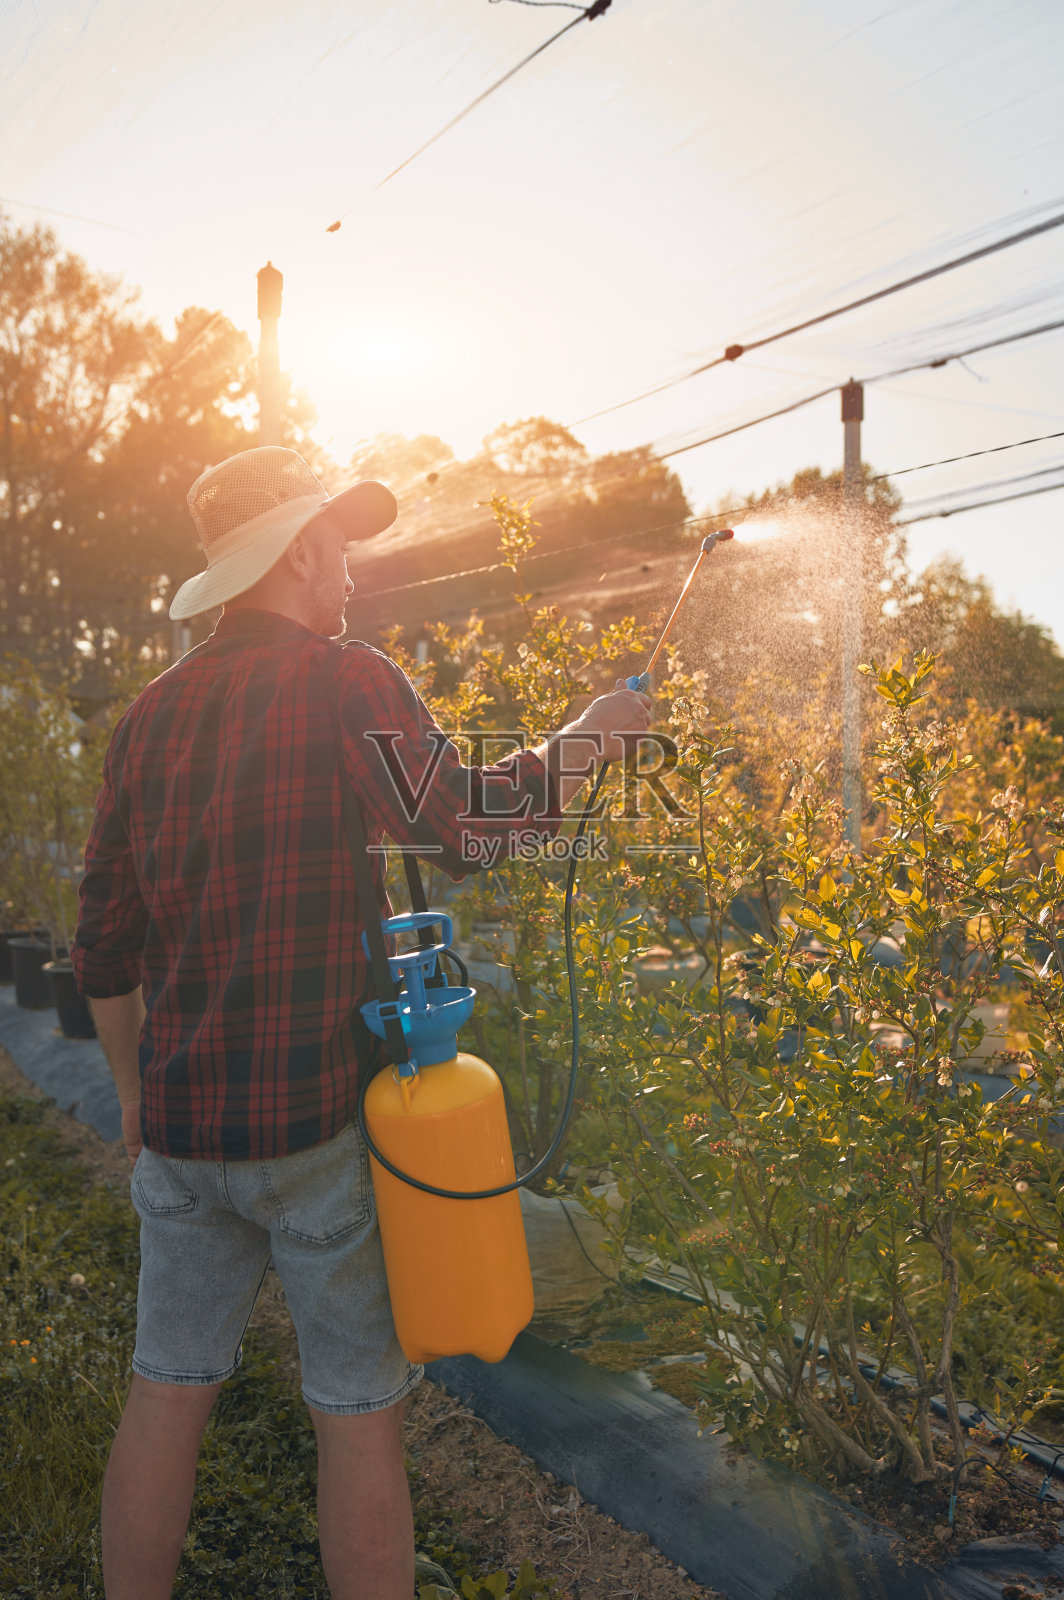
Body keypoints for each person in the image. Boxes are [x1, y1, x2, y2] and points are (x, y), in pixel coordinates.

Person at [72, 445, 653, 1600]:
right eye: (338, 548)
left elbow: (101, 941)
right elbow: (468, 827)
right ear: (298, 553)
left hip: (182, 1133)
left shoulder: (148, 717)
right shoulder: (345, 680)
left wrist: (135, 1096)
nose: (349, 572)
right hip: (317, 1130)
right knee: (355, 1413)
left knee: (166, 1390)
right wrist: (590, 736)